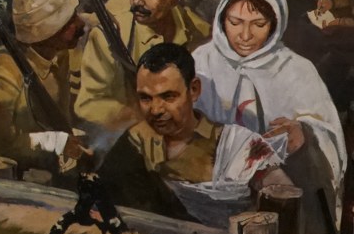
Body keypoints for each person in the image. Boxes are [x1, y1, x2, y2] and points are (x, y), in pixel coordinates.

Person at [194, 0, 347, 234]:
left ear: (275, 23)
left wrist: (305, 132)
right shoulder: (201, 62)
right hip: (210, 187)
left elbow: (329, 134)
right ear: (221, 19)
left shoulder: (297, 70)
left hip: (282, 191)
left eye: (258, 24)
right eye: (235, 22)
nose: (245, 35)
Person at [96, 42, 274, 222]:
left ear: (194, 90)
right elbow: (102, 199)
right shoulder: (136, 139)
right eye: (145, 98)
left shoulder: (237, 144)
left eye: (168, 96)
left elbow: (280, 194)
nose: (156, 109)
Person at [75, 0, 210, 145]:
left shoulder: (199, 33)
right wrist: (139, 118)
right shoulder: (108, 36)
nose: (138, 0)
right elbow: (89, 103)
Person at [0, 0, 88, 180]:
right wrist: (56, 143)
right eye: (70, 21)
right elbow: (1, 145)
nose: (81, 24)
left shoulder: (60, 57)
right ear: (48, 32)